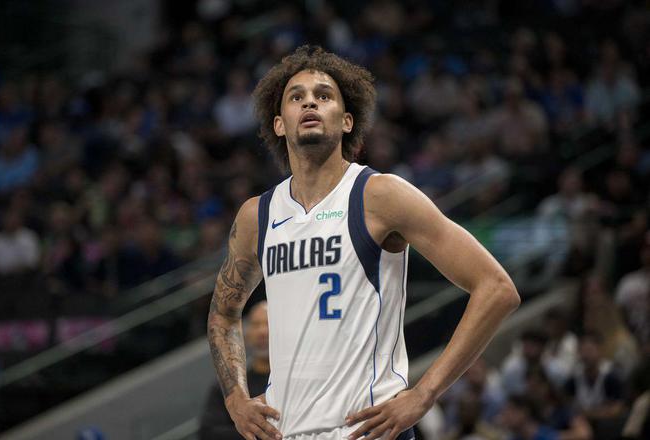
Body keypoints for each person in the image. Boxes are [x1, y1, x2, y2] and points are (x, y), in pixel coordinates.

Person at [207, 45, 520, 440]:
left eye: (324, 96)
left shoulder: (380, 196)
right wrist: (235, 399)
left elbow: (497, 288)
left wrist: (424, 394)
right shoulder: (257, 216)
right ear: (280, 124)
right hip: (287, 432)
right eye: (297, 97)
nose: (310, 103)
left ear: (347, 121)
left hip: (367, 431)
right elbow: (222, 314)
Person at [200, 301, 270, 440]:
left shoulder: (294, 377)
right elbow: (208, 432)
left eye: (268, 324)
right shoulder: (229, 385)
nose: (262, 332)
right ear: (246, 334)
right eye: (256, 325)